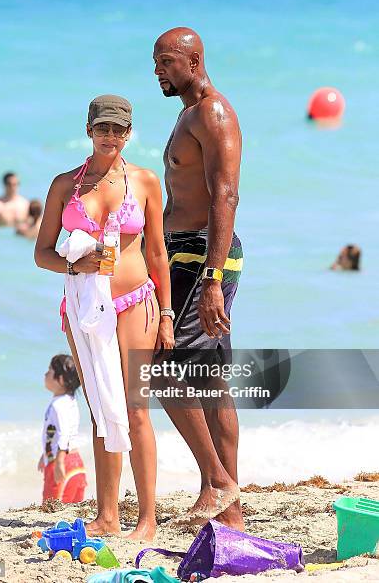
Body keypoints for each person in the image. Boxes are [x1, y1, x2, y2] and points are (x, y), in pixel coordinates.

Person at [34, 95, 174, 540]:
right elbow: (42, 254)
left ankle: (148, 519)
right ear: (89, 129)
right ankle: (108, 514)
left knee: (135, 409)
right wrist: (76, 265)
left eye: (119, 129)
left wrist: (167, 314)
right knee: (99, 409)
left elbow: (156, 252)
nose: (110, 136)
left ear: (129, 133)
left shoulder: (146, 181)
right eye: (102, 128)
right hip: (82, 308)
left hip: (135, 303)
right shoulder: (65, 185)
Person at [153, 28, 244, 530]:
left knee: (163, 369)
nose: (158, 71)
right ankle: (233, 520)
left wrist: (211, 278)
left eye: (166, 61)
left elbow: (224, 195)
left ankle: (217, 481)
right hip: (184, 253)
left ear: (193, 59)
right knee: (212, 385)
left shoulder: (213, 111)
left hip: (202, 255)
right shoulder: (188, 113)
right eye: (155, 63)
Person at [38, 354, 87, 504]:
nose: (45, 374)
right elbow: (53, 433)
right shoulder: (70, 402)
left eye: (50, 371)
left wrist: (59, 460)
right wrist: (45, 455)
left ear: (60, 380)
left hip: (62, 462)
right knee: (70, 509)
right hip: (76, 462)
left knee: (52, 507)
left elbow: (63, 433)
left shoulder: (58, 405)